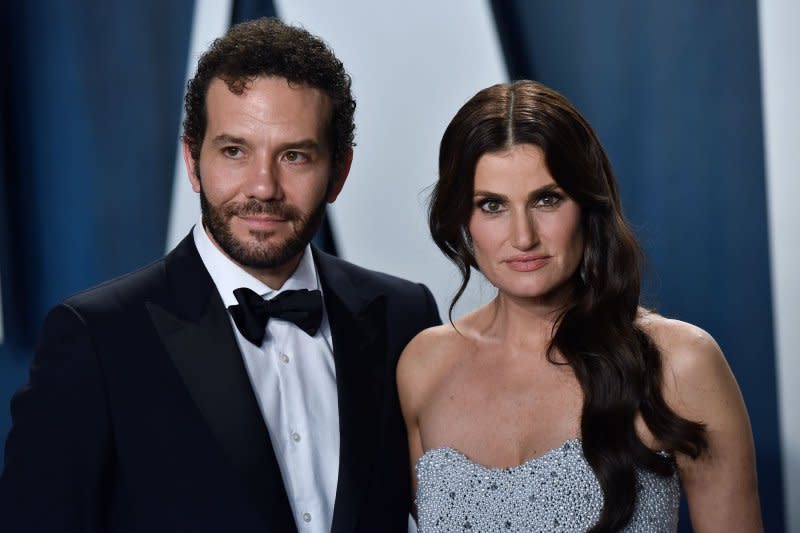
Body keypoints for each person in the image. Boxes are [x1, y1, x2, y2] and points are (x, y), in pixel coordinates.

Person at [0, 17, 440, 533]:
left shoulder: (404, 317)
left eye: (294, 156)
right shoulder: (96, 336)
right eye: (235, 151)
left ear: (338, 172)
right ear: (193, 161)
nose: (263, 187)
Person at [397, 80, 762, 532]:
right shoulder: (424, 366)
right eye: (492, 205)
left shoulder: (681, 362)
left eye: (547, 199)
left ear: (588, 205)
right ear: (462, 218)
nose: (523, 236)